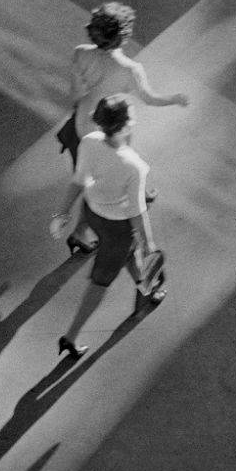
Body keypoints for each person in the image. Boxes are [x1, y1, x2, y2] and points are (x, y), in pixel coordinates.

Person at [61, 2, 188, 255]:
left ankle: (131, 193)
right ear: (123, 35)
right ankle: (81, 231)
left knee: (94, 175)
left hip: (85, 123)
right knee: (109, 177)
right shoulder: (131, 70)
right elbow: (150, 98)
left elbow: (75, 94)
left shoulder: (80, 53)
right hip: (116, 127)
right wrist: (175, 98)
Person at [50, 97, 166, 359]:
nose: (135, 121)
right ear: (124, 126)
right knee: (99, 283)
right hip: (117, 229)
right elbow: (137, 210)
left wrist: (61, 214)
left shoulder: (90, 141)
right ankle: (71, 337)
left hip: (93, 214)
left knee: (128, 253)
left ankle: (148, 288)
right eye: (132, 118)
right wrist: (150, 244)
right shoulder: (133, 166)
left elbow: (78, 181)